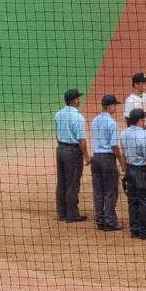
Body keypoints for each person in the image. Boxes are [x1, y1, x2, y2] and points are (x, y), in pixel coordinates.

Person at [90, 94, 126, 231]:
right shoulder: (112, 123)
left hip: (95, 158)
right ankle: (110, 221)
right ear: (110, 106)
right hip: (107, 159)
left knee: (98, 191)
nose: (115, 107)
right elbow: (114, 146)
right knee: (110, 192)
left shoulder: (95, 120)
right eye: (114, 105)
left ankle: (100, 220)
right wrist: (121, 162)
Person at [54, 88, 90, 223]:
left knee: (62, 181)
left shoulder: (58, 114)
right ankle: (72, 214)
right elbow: (81, 140)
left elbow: (57, 135)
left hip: (60, 150)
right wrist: (86, 156)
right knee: (72, 183)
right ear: (74, 100)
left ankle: (61, 213)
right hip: (73, 152)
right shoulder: (78, 117)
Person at [120, 108, 146, 239]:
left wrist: (125, 171)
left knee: (133, 201)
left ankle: (134, 229)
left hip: (130, 170)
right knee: (145, 201)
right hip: (142, 172)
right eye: (144, 118)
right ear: (140, 121)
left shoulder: (124, 133)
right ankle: (145, 232)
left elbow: (123, 155)